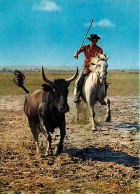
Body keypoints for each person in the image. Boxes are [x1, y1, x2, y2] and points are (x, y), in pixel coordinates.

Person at [73, 33, 103, 103]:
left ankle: (102, 96)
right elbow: (78, 51)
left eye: (96, 40)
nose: (94, 41)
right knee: (79, 80)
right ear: (90, 40)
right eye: (93, 40)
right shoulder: (85, 47)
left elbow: (100, 59)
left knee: (102, 80)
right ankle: (76, 96)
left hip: (94, 67)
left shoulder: (99, 49)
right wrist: (76, 53)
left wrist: (91, 68)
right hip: (85, 66)